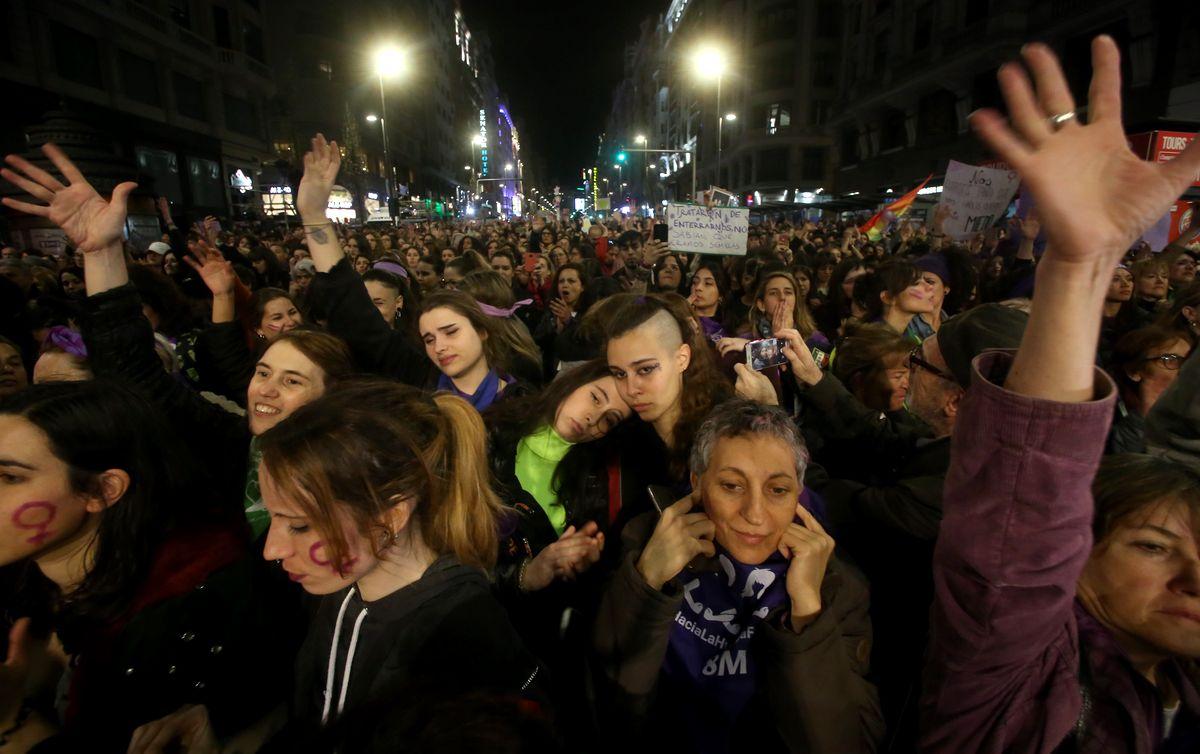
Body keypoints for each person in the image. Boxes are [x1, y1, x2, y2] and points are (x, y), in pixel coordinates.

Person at [920, 35, 1200, 753]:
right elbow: (1021, 525)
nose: (1195, 580)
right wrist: (1079, 268)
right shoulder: (1022, 695)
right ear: (1072, 558)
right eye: (1151, 546)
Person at [134, 380, 544, 753]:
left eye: (299, 525)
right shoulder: (344, 588)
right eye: (272, 516)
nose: (272, 549)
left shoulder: (459, 635)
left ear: (389, 518)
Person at [0, 381, 301, 752]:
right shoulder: (24, 582)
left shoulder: (194, 616)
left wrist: (10, 721)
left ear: (104, 489)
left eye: (10, 478)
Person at [593, 399, 883, 753]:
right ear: (698, 482)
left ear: (798, 496)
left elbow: (849, 744)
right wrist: (647, 583)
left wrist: (807, 610)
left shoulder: (835, 585)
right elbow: (608, 710)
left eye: (778, 490)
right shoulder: (646, 542)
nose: (755, 514)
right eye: (732, 485)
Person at [419, 289, 528, 411]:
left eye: (451, 332)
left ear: (481, 332)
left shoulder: (521, 404)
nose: (439, 347)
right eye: (429, 340)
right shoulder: (421, 408)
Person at [1106, 325, 1192, 454]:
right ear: (1133, 371)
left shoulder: (1188, 413)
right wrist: (1142, 418)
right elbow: (1125, 467)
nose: (1184, 369)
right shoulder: (1106, 415)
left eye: (1189, 361)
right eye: (1171, 360)